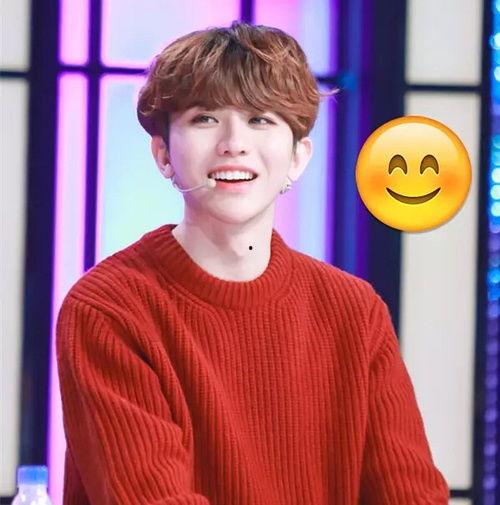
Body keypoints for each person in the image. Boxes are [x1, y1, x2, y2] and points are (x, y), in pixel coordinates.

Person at [56, 20, 450, 504]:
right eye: (205, 118)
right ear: (163, 154)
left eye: (260, 119)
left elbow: (410, 494)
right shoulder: (108, 309)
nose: (233, 143)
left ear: (298, 156)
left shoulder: (354, 310)